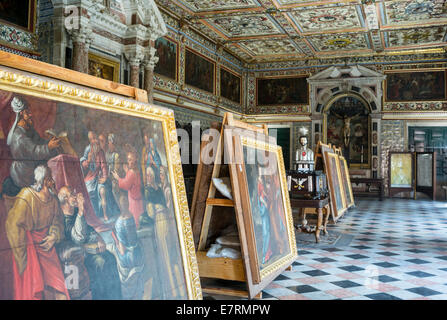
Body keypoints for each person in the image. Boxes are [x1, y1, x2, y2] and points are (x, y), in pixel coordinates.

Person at [6, 165, 69, 300]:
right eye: (51, 178)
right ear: (46, 181)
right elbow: (13, 225)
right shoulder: (27, 196)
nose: (53, 181)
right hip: (29, 249)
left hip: (47, 249)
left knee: (60, 293)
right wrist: (26, 254)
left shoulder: (53, 200)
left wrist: (53, 236)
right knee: (36, 292)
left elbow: (58, 222)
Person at [57, 186, 122, 300]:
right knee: (100, 263)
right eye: (72, 194)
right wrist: (81, 211)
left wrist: (98, 238)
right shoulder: (64, 219)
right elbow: (78, 238)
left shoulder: (75, 211)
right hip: (77, 258)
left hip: (88, 251)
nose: (75, 196)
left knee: (110, 258)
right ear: (66, 199)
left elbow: (88, 229)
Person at [2, 97, 61, 197]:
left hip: (32, 168)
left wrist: (50, 142)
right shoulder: (19, 136)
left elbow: (39, 143)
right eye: (27, 112)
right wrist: (49, 147)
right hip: (24, 175)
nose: (31, 114)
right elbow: (34, 152)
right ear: (21, 114)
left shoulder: (29, 129)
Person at [80, 131, 120, 221]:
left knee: (102, 191)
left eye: (95, 138)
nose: (94, 141)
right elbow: (83, 164)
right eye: (91, 139)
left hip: (98, 177)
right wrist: (88, 161)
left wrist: (105, 177)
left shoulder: (100, 151)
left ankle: (104, 214)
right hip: (89, 178)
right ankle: (94, 216)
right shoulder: (87, 150)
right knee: (89, 193)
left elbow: (103, 166)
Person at [112, 151, 144, 229]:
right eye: (128, 159)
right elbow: (131, 180)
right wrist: (127, 172)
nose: (128, 162)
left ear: (134, 161)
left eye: (130, 160)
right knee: (138, 212)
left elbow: (126, 185)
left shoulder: (131, 172)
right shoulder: (136, 170)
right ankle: (137, 224)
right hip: (138, 196)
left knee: (134, 213)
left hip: (133, 198)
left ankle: (136, 226)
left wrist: (118, 178)